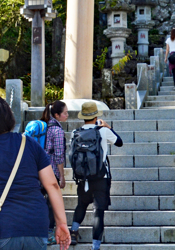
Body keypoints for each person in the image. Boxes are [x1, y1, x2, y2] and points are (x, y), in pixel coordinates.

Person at [0, 93, 71, 250]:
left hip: (1, 229)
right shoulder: (29, 143)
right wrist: (61, 223)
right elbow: (52, 184)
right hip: (36, 227)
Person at [68, 102, 124, 250]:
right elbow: (119, 142)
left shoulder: (75, 133)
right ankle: (95, 247)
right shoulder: (103, 131)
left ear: (83, 117)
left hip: (83, 177)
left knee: (81, 204)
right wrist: (108, 126)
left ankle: (73, 232)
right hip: (101, 177)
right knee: (98, 212)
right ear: (96, 116)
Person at [42, 101, 69, 245]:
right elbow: (59, 156)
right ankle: (49, 233)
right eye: (65, 113)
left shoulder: (45, 127)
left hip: (40, 170)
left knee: (45, 202)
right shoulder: (57, 131)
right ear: (57, 115)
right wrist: (62, 176)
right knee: (51, 203)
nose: (67, 115)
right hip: (51, 171)